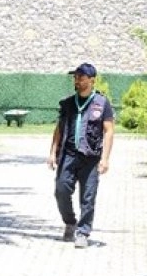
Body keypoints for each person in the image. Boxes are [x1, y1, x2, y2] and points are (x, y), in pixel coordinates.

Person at [48, 63, 115, 249]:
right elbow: (59, 129)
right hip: (68, 155)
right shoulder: (68, 103)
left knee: (88, 197)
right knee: (61, 190)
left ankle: (83, 232)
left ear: (92, 80)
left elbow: (109, 131)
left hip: (90, 157)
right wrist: (52, 152)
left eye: (81, 77)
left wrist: (105, 158)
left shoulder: (102, 103)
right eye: (75, 77)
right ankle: (70, 222)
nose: (77, 81)